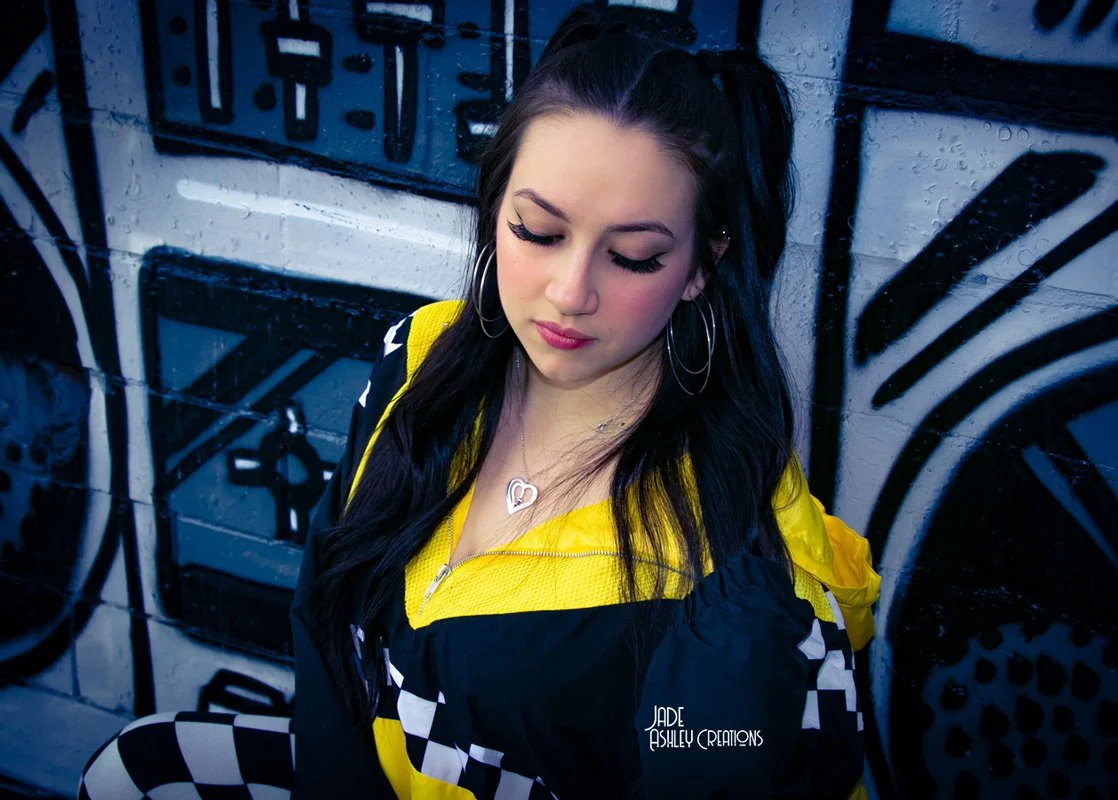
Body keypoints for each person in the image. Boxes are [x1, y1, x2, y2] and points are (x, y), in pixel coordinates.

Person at [78, 7, 880, 799]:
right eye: (537, 231)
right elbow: (325, 621)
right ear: (495, 211)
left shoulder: (730, 568)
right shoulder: (420, 364)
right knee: (136, 769)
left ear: (702, 267)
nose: (571, 293)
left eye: (633, 257)